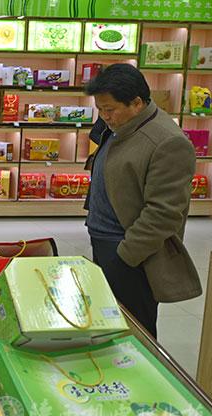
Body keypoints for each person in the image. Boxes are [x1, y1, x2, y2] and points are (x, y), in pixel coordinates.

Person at [85, 64, 202, 338]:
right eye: (100, 109)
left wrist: (125, 256)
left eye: (109, 109)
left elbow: (163, 214)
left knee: (136, 329)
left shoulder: (168, 142)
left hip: (131, 251)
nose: (104, 116)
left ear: (137, 103)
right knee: (107, 318)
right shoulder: (121, 124)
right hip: (103, 239)